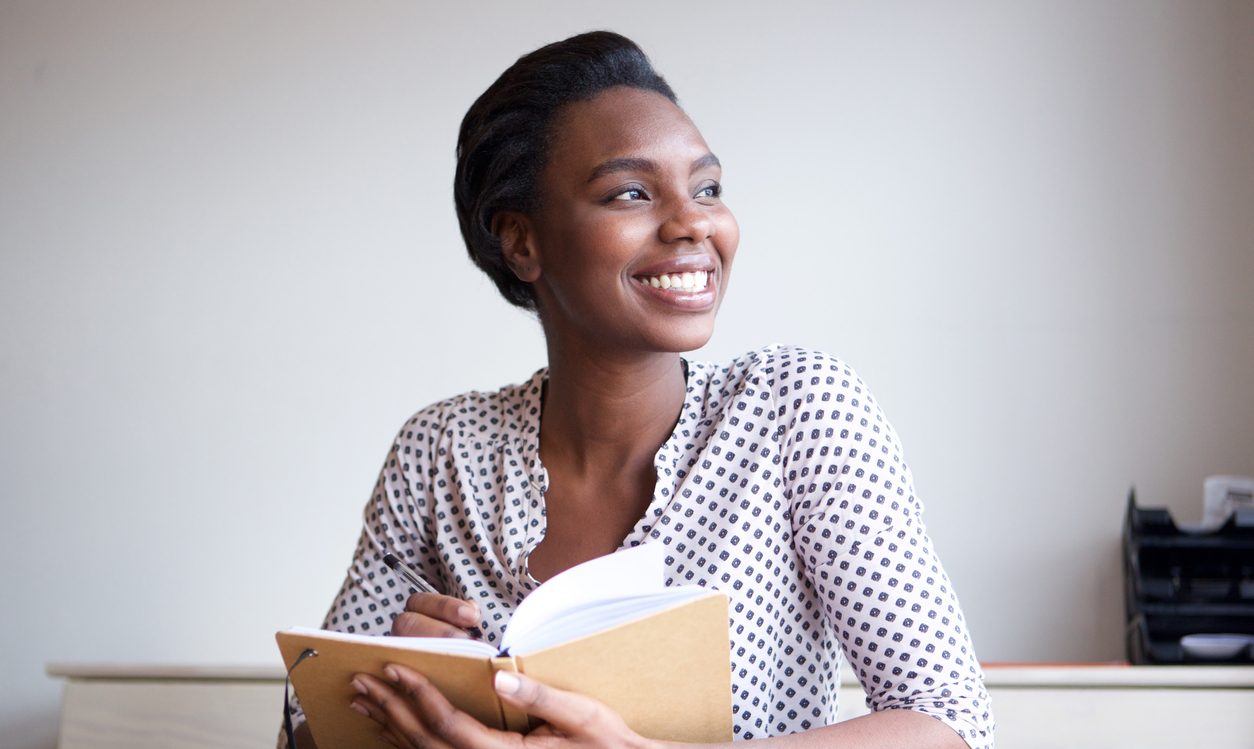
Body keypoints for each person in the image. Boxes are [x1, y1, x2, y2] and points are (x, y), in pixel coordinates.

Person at [284, 30, 994, 749]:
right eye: (631, 192)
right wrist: (383, 703)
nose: (695, 222)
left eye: (708, 187)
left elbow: (948, 720)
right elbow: (298, 736)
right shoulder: (439, 456)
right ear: (522, 242)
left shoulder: (794, 410)